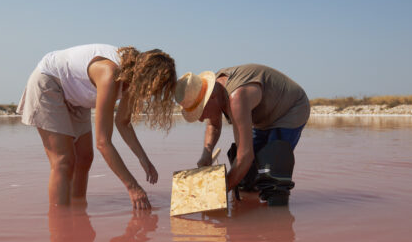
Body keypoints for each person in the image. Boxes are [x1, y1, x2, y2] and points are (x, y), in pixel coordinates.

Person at [17, 44, 176, 209]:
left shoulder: (132, 80)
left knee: (85, 157)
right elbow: (103, 142)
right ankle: (59, 221)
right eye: (154, 87)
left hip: (76, 95)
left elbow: (123, 122)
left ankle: (79, 211)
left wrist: (144, 159)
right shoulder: (110, 74)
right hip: (49, 82)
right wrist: (133, 187)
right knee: (64, 161)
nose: (152, 94)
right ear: (145, 77)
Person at [175, 64, 310, 202]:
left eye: (200, 112)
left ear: (212, 97)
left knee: (271, 174)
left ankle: (277, 215)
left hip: (290, 109)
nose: (201, 119)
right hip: (263, 117)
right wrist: (207, 152)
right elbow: (214, 125)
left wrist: (217, 192)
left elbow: (245, 155)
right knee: (247, 179)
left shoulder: (236, 98)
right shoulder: (212, 90)